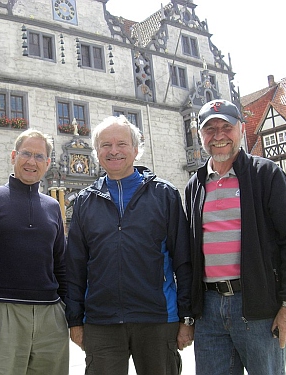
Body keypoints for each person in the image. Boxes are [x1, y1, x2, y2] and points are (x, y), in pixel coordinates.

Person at [184, 99, 286, 374]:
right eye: (210, 129)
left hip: (257, 307)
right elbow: (189, 255)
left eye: (225, 127)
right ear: (200, 135)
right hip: (209, 309)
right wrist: (189, 314)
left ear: (241, 129)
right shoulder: (194, 185)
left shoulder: (265, 174)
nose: (218, 136)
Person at [65, 115, 193, 375]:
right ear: (97, 152)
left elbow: (184, 260)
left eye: (121, 144)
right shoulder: (85, 202)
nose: (113, 151)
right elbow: (75, 267)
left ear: (136, 149)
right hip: (102, 322)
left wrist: (187, 317)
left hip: (157, 318)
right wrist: (75, 320)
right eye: (105, 145)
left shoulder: (164, 195)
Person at [0, 129, 69, 375]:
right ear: (13, 156)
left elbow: (61, 264)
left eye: (39, 156)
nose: (32, 161)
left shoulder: (53, 207)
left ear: (47, 163)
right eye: (26, 154)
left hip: (50, 316)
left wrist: (67, 311)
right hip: (1, 316)